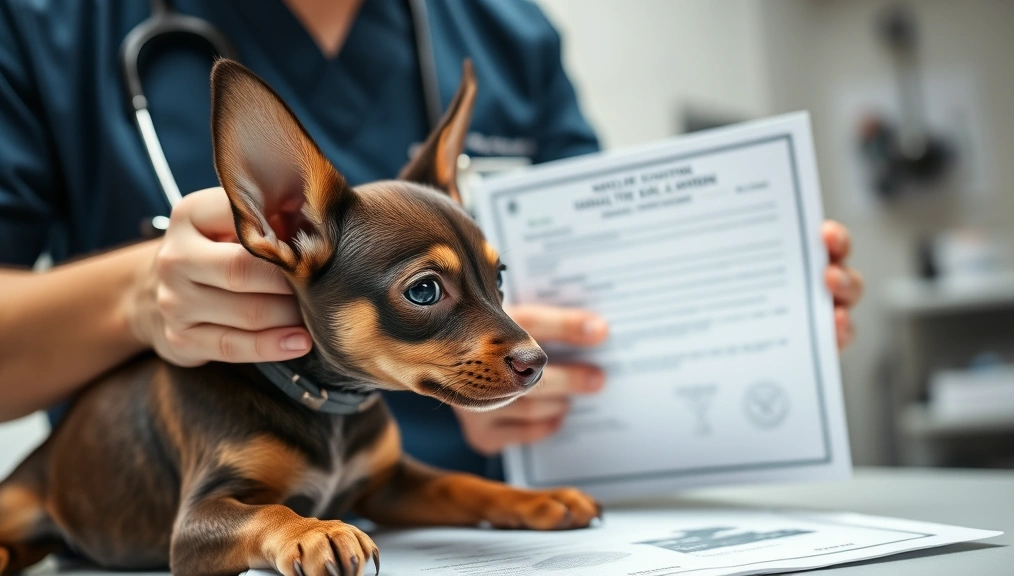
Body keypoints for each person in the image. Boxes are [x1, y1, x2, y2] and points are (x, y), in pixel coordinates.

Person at [0, 0, 863, 479]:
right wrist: (136, 294)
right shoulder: (51, 26)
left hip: (484, 534)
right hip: (191, 529)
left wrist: (741, 315)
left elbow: (578, 315)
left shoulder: (504, 32)